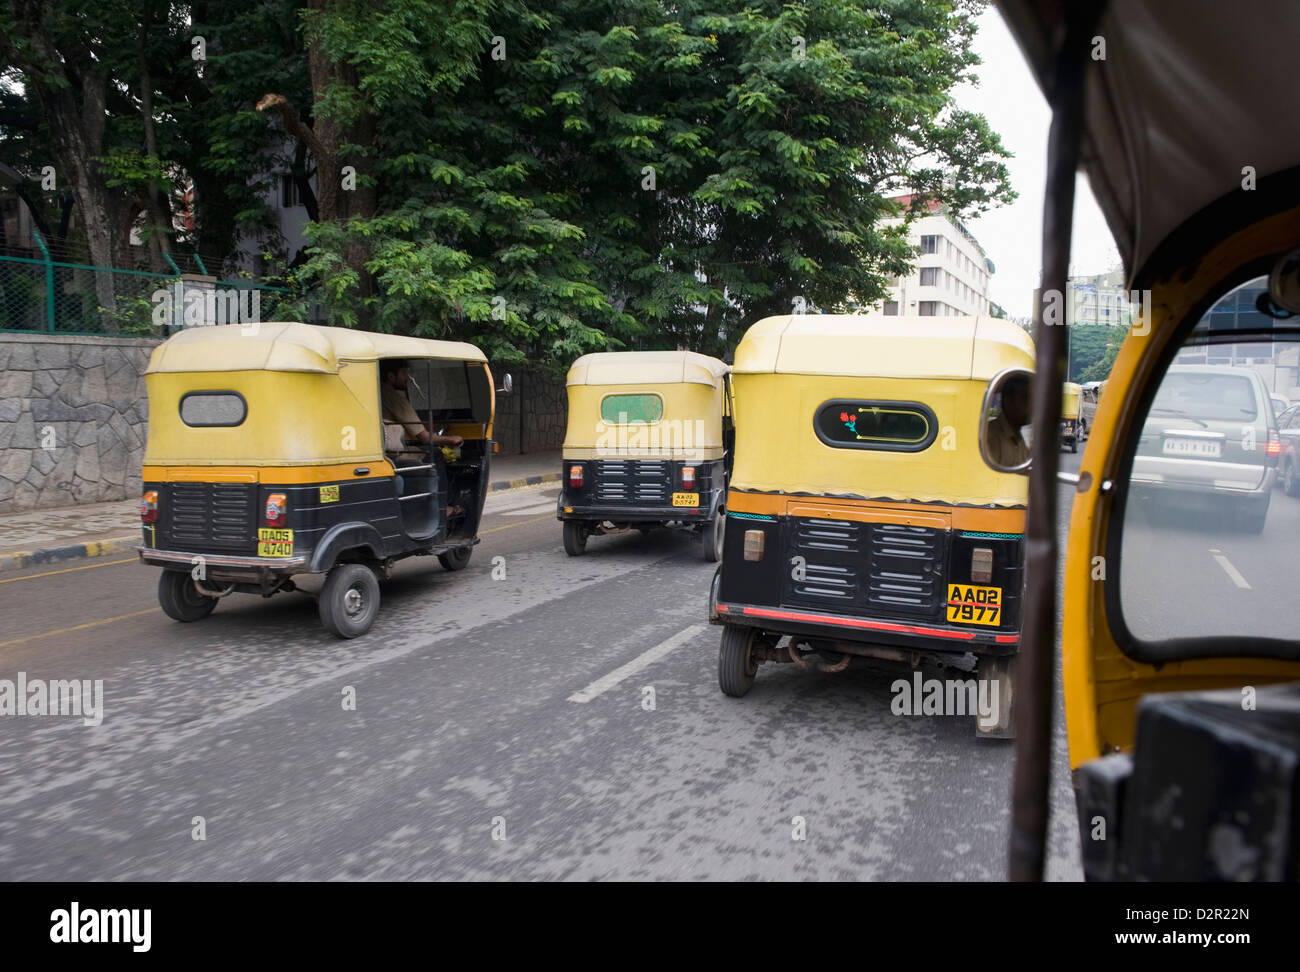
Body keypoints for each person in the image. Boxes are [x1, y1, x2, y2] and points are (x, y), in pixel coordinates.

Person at [380, 359, 464, 461]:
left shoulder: (377, 393)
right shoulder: (395, 398)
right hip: (391, 456)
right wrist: (452, 439)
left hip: (379, 452)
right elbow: (425, 438)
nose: (408, 378)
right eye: (404, 373)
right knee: (434, 453)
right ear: (391, 376)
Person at [987, 373, 1031, 467]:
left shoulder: (1019, 437)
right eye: (1025, 399)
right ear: (1008, 401)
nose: (1030, 407)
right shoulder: (991, 437)